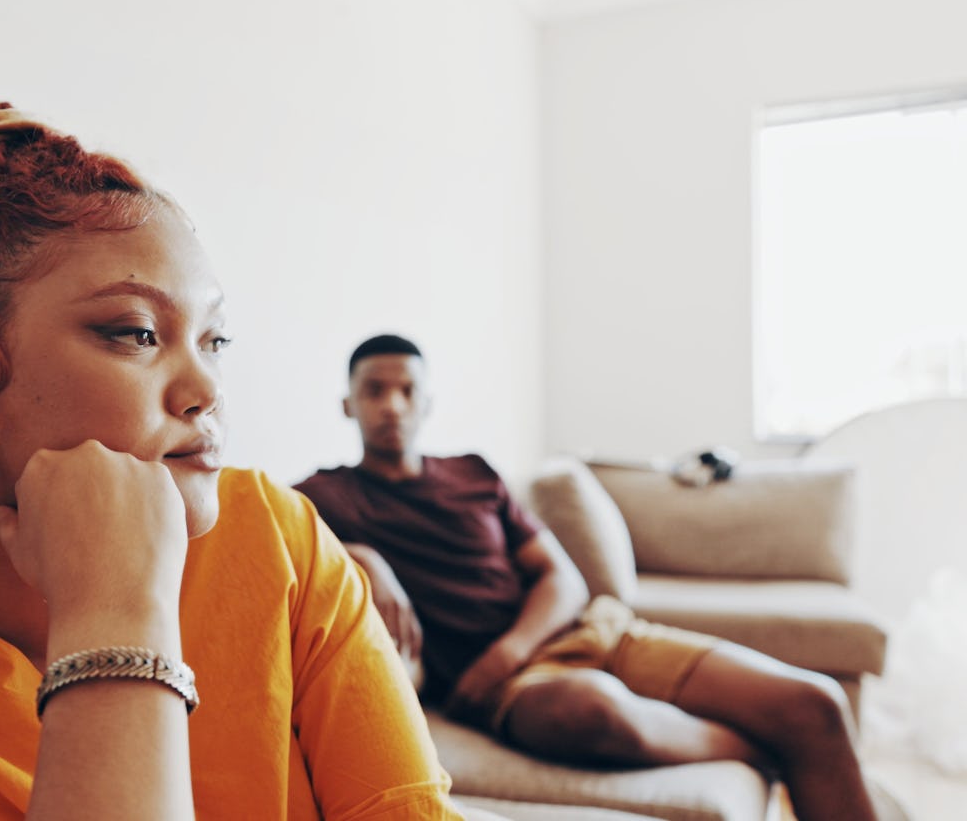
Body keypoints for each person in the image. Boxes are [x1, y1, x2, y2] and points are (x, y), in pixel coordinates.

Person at [0, 99, 471, 820]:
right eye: (135, 333)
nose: (206, 387)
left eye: (214, 341)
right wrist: (116, 616)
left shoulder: (277, 541)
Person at [293, 334, 879, 821]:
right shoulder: (325, 496)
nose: (392, 405)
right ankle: (771, 751)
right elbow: (268, 535)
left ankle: (790, 741)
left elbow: (562, 579)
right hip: (511, 690)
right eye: (375, 391)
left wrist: (510, 649)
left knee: (817, 704)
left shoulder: (474, 473)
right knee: (586, 708)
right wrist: (362, 555)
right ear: (349, 404)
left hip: (599, 633)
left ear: (427, 403)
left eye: (406, 390)